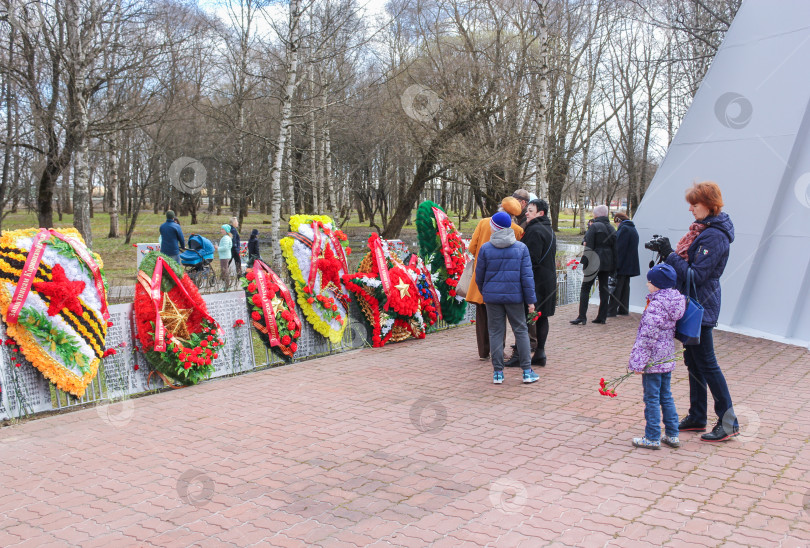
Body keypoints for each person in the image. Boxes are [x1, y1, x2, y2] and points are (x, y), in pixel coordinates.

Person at [655, 181, 739, 442]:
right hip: (694, 304)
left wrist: (670, 255)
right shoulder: (705, 230)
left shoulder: (713, 236)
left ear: (709, 204)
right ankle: (697, 416)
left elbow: (697, 276)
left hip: (700, 305)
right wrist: (667, 254)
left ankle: (728, 423)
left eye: (695, 203)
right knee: (694, 362)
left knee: (707, 363)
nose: (691, 209)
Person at [474, 211, 539, 384]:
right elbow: (527, 277)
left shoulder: (486, 248)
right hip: (515, 297)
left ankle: (497, 373)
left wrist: (486, 292)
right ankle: (527, 371)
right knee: (521, 331)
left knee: (495, 331)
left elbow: (478, 276)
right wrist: (530, 301)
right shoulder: (521, 248)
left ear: (494, 228)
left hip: (492, 298)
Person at [627, 264, 686, 450]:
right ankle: (672, 434)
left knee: (651, 397)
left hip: (653, 359)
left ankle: (652, 436)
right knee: (666, 396)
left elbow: (647, 337)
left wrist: (639, 362)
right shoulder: (675, 301)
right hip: (667, 356)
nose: (647, 284)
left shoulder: (657, 305)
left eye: (650, 281)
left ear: (658, 285)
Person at [466, 197, 525, 360]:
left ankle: (483, 351)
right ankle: (498, 350)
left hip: (482, 277)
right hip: (504, 280)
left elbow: (471, 248)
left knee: (482, 317)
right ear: (513, 216)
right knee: (499, 317)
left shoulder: (483, 223)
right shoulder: (517, 230)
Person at [512, 198, 556, 367]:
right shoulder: (548, 230)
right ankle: (540, 352)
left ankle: (519, 354)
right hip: (548, 279)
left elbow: (531, 259)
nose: (526, 213)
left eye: (530, 210)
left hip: (535, 281)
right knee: (542, 316)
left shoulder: (534, 231)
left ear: (540, 213)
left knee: (523, 317)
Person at [571, 204, 616, 325]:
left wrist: (584, 263)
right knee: (604, 289)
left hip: (594, 260)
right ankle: (602, 316)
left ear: (596, 214)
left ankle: (582, 316)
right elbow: (615, 247)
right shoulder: (612, 228)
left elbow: (589, 245)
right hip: (607, 261)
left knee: (585, 288)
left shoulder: (594, 226)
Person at [608, 212, 640, 317]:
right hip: (630, 263)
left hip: (622, 263)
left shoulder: (624, 229)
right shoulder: (632, 228)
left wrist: (615, 264)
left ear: (618, 220)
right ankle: (623, 309)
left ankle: (611, 310)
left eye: (615, 222)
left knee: (617, 287)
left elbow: (619, 249)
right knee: (625, 287)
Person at [216, 224, 233, 289]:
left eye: (222, 229)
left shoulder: (225, 238)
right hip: (225, 256)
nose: (221, 230)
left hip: (225, 257)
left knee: (225, 271)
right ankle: (226, 285)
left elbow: (225, 248)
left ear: (226, 231)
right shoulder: (227, 237)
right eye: (221, 229)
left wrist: (218, 248)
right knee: (225, 271)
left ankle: (227, 286)